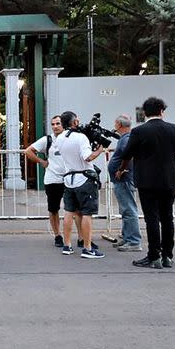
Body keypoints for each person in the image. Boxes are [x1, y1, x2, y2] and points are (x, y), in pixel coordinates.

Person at [115, 97, 175, 269]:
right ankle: (168, 256)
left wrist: (121, 169)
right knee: (167, 218)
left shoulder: (139, 131)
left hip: (147, 181)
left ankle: (154, 256)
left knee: (152, 219)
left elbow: (127, 154)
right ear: (162, 111)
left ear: (144, 112)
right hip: (168, 181)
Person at [54, 111, 107, 259]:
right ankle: (87, 248)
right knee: (86, 214)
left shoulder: (60, 138)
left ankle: (67, 245)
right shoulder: (81, 137)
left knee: (69, 212)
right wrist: (99, 150)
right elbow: (87, 157)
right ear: (75, 122)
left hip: (69, 180)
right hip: (84, 179)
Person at [25, 115, 67, 247]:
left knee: (75, 209)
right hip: (52, 179)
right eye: (53, 124)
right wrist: (42, 162)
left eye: (58, 124)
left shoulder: (70, 138)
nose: (55, 126)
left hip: (70, 179)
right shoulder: (47, 140)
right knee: (54, 209)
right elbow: (28, 151)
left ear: (64, 124)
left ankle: (81, 237)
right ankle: (57, 235)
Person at [107, 114, 142, 252]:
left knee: (128, 209)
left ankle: (133, 241)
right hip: (122, 179)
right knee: (125, 209)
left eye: (115, 123)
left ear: (118, 125)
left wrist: (122, 170)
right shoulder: (126, 138)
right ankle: (127, 238)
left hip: (124, 179)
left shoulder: (126, 139)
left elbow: (130, 155)